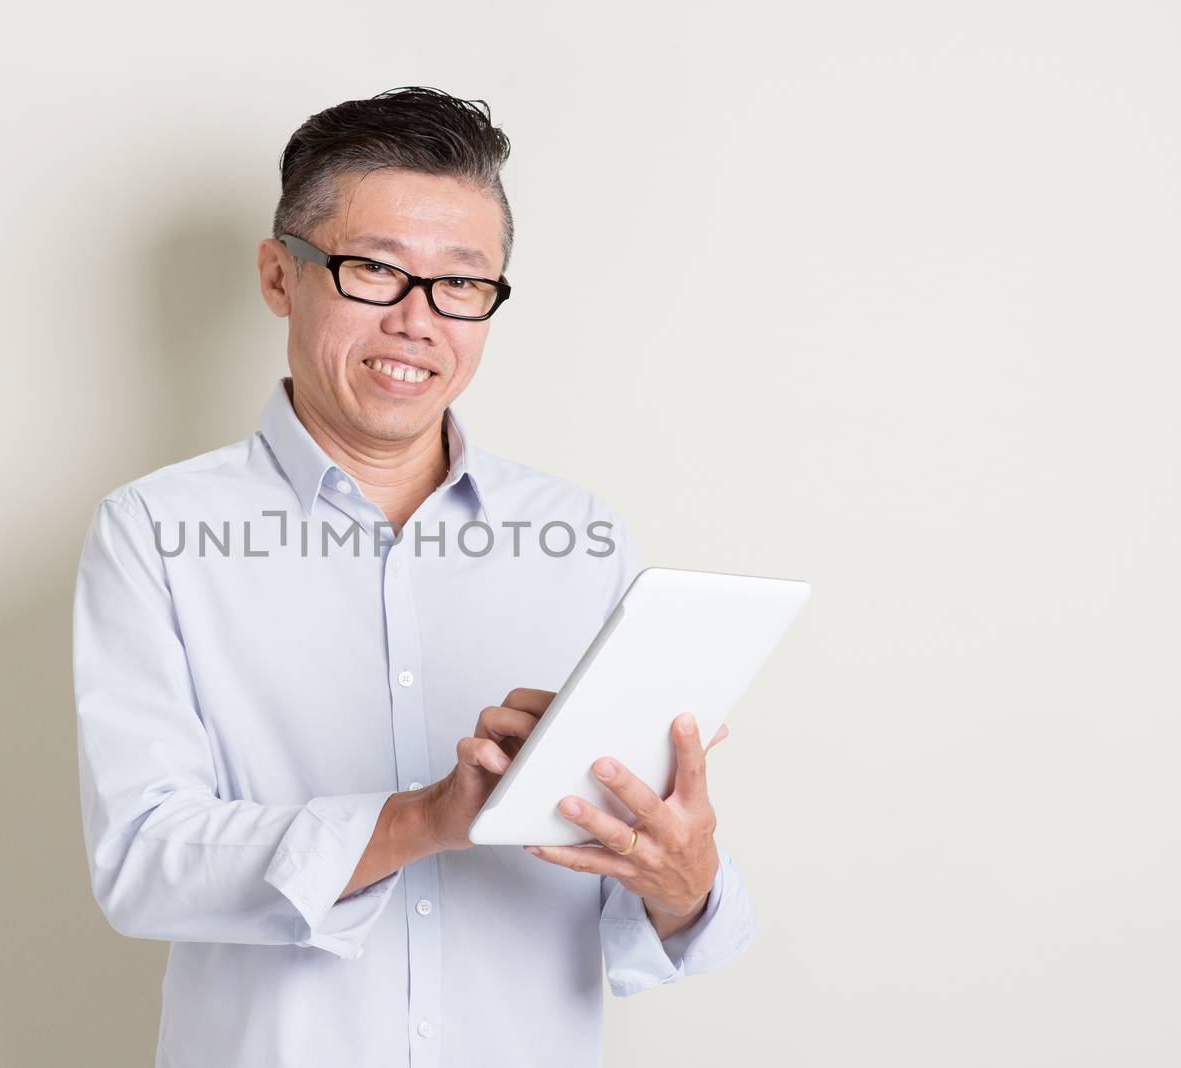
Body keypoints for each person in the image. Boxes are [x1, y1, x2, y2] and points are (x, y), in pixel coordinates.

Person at [72, 86, 756, 1068]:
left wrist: (681, 874)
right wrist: (419, 821)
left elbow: (641, 904)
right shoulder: (155, 532)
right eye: (374, 272)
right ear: (279, 276)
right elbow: (143, 864)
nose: (417, 321)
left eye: (461, 285)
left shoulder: (581, 536)